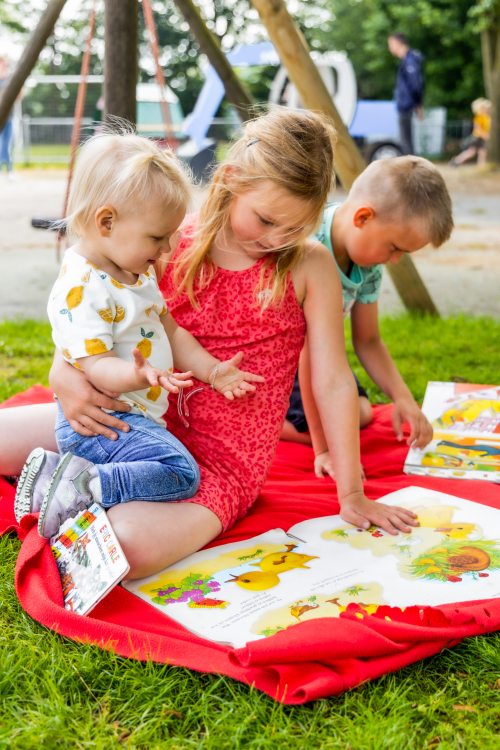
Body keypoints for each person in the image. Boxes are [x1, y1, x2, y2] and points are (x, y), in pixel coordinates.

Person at [1, 109, 418, 580]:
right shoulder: (164, 238)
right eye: (265, 219)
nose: (277, 238)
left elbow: (334, 380)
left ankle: (74, 480)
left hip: (221, 462)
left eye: (295, 227)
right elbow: (91, 307)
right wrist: (63, 372)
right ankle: (73, 478)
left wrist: (352, 494)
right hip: (133, 418)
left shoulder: (308, 264)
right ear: (232, 179)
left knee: (124, 547)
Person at [15, 129, 264, 540]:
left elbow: (172, 330)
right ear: (107, 221)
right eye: (157, 237)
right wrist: (138, 375)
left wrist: (213, 371)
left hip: (131, 418)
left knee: (171, 467)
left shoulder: (133, 272)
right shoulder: (83, 288)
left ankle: (69, 478)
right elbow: (94, 367)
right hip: (104, 420)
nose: (168, 248)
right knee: (181, 474)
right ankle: (84, 487)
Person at [282, 156, 454, 480]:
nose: (396, 259)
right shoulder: (310, 248)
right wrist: (323, 449)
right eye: (393, 248)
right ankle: (265, 420)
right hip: (279, 360)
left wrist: (403, 398)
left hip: (321, 359)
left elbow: (369, 339)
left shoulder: (369, 265)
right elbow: (306, 358)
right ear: (363, 217)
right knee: (337, 426)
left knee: (359, 413)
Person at [388, 32, 425, 156]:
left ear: (398, 43)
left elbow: (416, 85)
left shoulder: (409, 61)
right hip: (406, 104)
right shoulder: (408, 60)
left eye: (391, 45)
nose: (390, 48)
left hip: (406, 105)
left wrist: (418, 105)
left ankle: (410, 172)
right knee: (405, 141)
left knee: (405, 142)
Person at [451, 98, 491, 168]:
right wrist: (486, 136)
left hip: (482, 138)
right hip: (477, 138)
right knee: (472, 152)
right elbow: (478, 130)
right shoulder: (479, 118)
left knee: (482, 152)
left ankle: (481, 167)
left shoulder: (487, 117)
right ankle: (456, 160)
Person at [0, 56, 18, 180]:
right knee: (2, 144)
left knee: (8, 144)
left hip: (9, 116)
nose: (5, 65)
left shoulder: (10, 78)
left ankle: (10, 170)